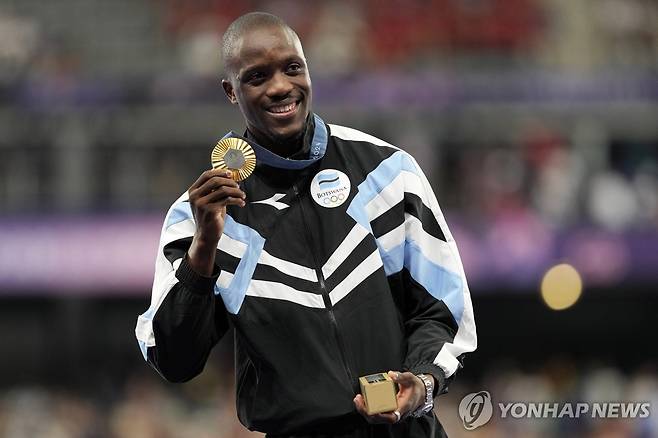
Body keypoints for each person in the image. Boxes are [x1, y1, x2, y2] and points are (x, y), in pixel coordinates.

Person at [135, 12, 476, 438]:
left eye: (292, 68)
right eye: (257, 76)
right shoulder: (202, 215)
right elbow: (173, 360)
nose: (280, 87)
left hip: (407, 430)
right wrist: (203, 250)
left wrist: (423, 380)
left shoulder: (387, 172)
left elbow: (443, 307)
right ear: (230, 90)